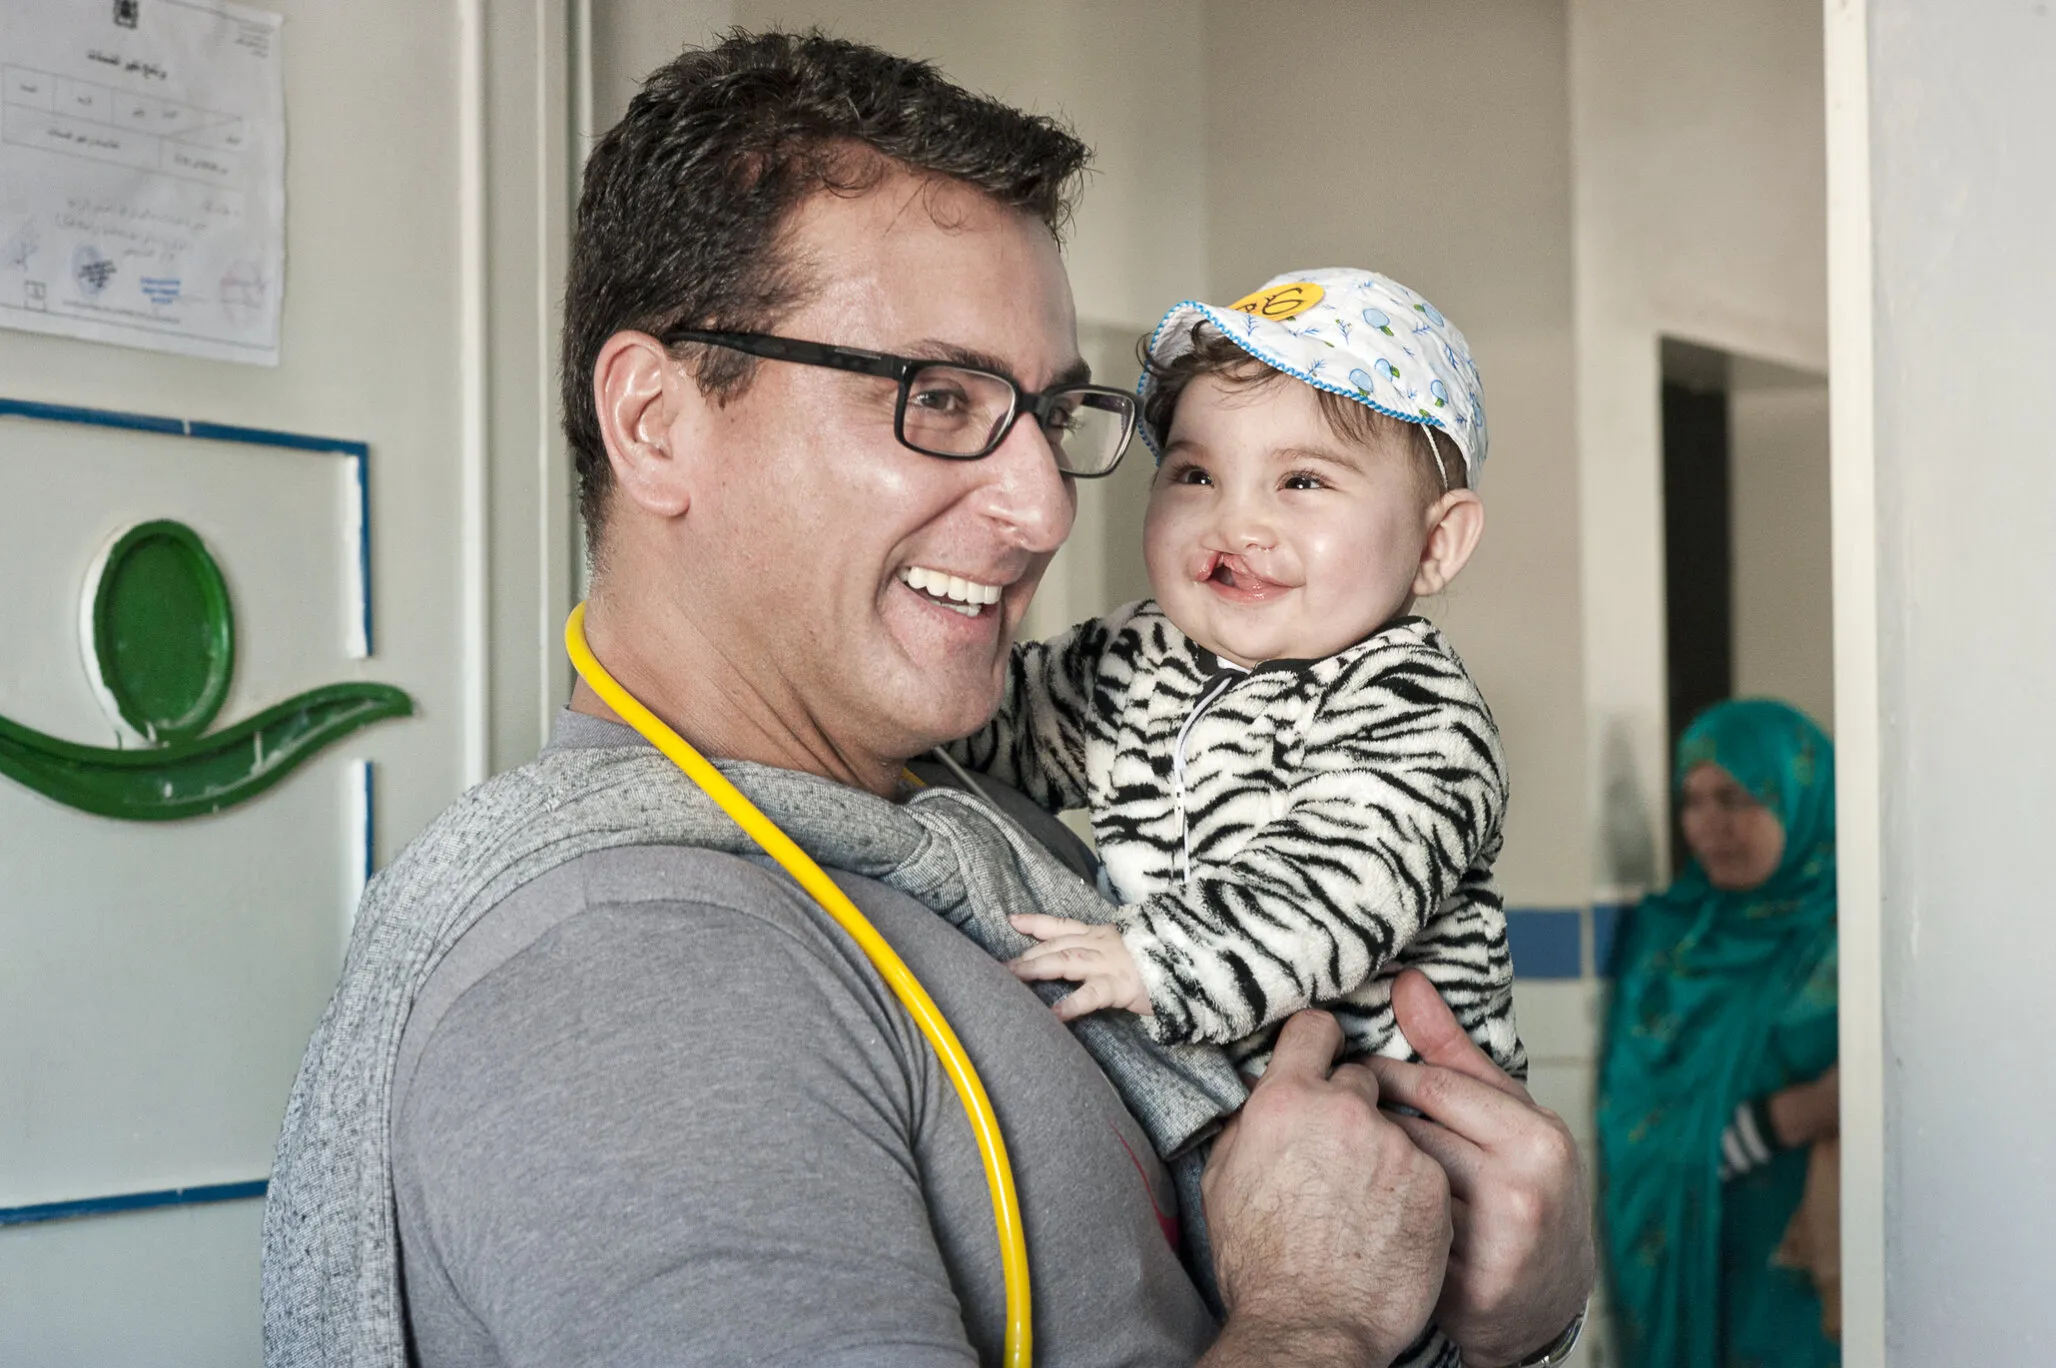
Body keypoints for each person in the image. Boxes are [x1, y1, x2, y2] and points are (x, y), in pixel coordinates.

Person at [263, 30, 1592, 1368]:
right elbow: (1303, 1282)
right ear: (657, 420)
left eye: (1051, 412)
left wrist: (1499, 1311)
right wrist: (1324, 1317)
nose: (1041, 507)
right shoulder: (633, 980)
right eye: (938, 397)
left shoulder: (984, 831)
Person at [953, 268, 1521, 1088]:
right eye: (1195, 476)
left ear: (1435, 545)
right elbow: (983, 724)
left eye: (1302, 482)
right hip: (1207, 1098)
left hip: (1397, 1114)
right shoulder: (1131, 654)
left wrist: (1153, 961)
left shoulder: (1418, 710)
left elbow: (1339, 885)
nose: (1237, 521)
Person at [1598, 699, 1841, 1368]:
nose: (1710, 826)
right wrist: (1781, 1119)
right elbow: (1630, 1114)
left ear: (1799, 796)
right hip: (1684, 1261)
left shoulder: (1859, 936)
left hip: (1808, 1273)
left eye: (1735, 797)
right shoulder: (1670, 936)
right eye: (1694, 799)